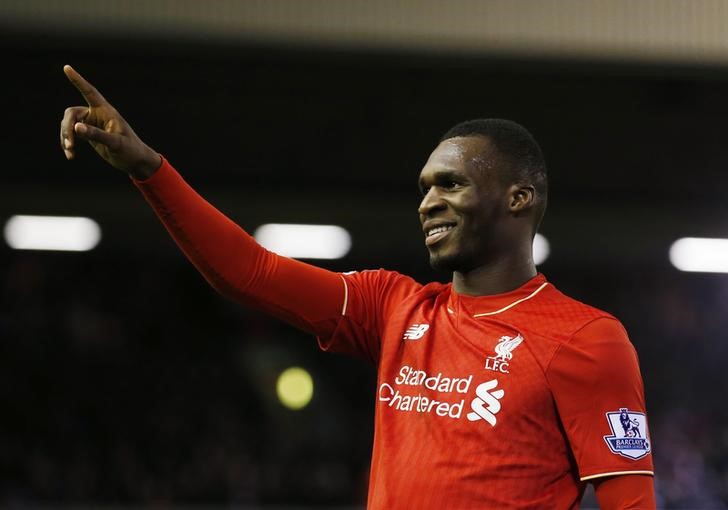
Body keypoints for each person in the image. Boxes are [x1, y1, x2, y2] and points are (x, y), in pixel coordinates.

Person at [60, 65, 655, 509]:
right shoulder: (393, 305)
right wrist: (148, 168)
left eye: (450, 184)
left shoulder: (586, 339)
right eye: (424, 187)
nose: (427, 203)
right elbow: (250, 272)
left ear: (518, 198)